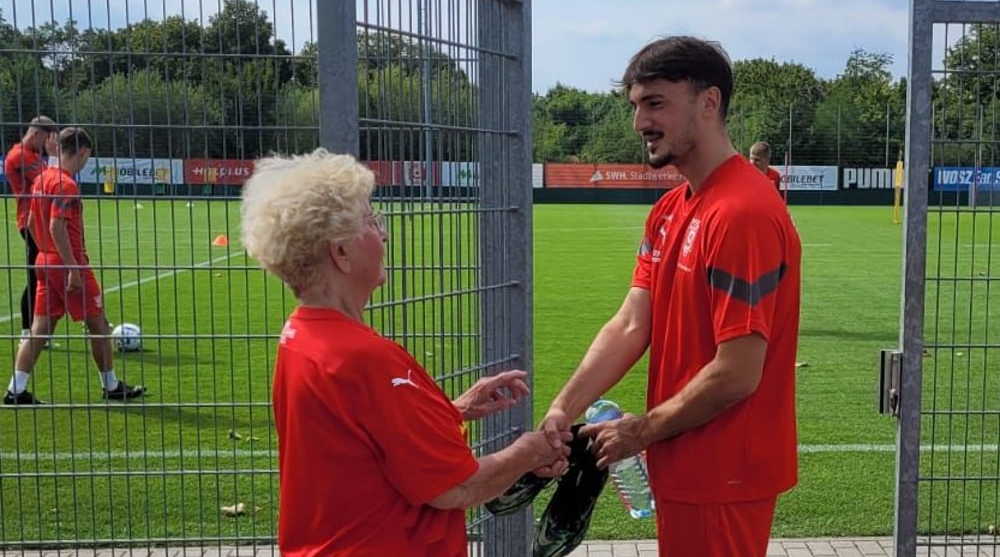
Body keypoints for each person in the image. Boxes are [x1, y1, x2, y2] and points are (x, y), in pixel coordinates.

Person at [538, 36, 802, 557]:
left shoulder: (743, 213)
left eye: (655, 103)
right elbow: (631, 323)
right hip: (685, 465)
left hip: (724, 475)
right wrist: (562, 408)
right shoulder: (669, 209)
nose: (640, 122)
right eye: (636, 106)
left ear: (709, 102)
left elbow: (738, 372)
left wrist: (641, 431)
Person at [238, 148, 572, 556]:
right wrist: (532, 450)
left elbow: (362, 440)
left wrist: (454, 411)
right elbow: (456, 488)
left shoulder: (300, 336)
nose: (384, 234)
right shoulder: (362, 357)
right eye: (372, 221)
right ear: (340, 253)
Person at [5, 127, 147, 405]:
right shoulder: (66, 184)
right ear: (82, 152)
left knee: (39, 329)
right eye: (87, 157)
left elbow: (31, 222)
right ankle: (111, 386)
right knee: (99, 324)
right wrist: (71, 267)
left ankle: (15, 390)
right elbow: (55, 225)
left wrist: (46, 251)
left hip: (44, 260)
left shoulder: (42, 179)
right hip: (68, 264)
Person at [4, 116, 59, 347]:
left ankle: (36, 331)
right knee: (37, 276)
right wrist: (54, 156)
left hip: (41, 220)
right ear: (37, 134)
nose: (48, 145)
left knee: (46, 274)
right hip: (30, 223)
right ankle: (28, 332)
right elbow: (49, 181)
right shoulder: (19, 156)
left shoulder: (33, 155)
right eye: (47, 139)